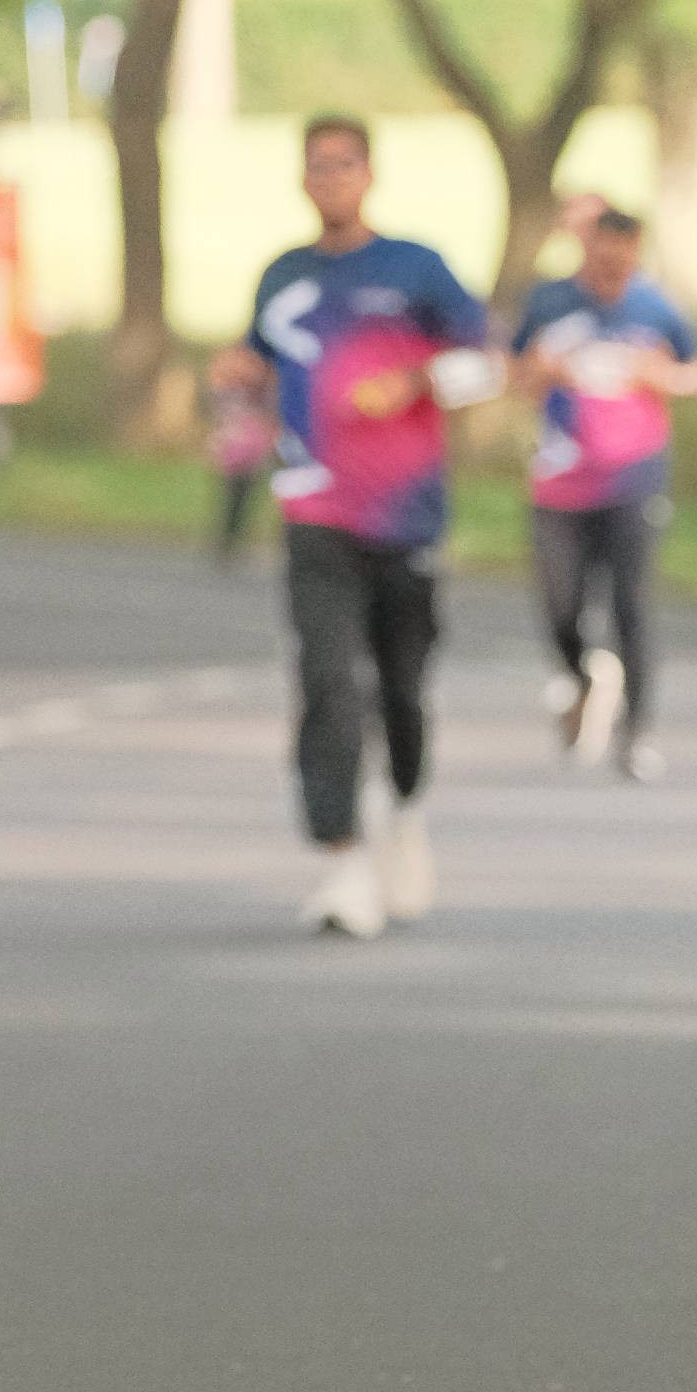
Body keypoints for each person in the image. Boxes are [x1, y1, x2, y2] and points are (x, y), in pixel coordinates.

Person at [217, 115, 499, 940]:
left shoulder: (416, 267)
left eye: (343, 164)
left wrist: (413, 382)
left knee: (402, 690)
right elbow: (260, 365)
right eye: (316, 166)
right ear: (301, 178)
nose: (330, 179)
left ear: (369, 174)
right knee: (327, 680)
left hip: (405, 514)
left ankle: (404, 810)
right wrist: (237, 381)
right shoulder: (283, 276)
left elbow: (489, 365)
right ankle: (342, 859)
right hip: (314, 506)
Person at [511, 203, 697, 779]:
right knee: (561, 605)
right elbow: (514, 370)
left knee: (632, 605)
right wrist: (542, 371)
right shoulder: (550, 302)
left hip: (634, 479)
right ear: (588, 249)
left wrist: (664, 377)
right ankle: (582, 677)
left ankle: (637, 732)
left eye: (623, 261)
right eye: (603, 258)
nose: (612, 270)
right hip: (560, 481)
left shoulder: (655, 306)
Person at [203, 361, 275, 562]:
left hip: (251, 454)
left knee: (243, 500)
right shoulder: (230, 396)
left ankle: (232, 540)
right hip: (233, 453)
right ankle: (227, 541)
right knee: (232, 500)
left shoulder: (262, 397)